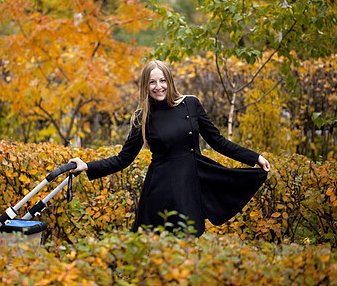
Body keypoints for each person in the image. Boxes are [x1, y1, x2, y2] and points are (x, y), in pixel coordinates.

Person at [70, 60, 270, 237]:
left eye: (163, 80)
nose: (158, 87)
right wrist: (87, 165)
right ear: (145, 86)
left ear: (170, 82)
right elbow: (124, 159)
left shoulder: (191, 104)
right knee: (155, 254)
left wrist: (254, 157)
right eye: (152, 82)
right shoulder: (142, 117)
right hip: (159, 192)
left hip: (188, 187)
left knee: (186, 246)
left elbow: (217, 141)